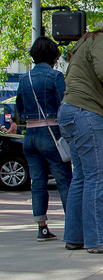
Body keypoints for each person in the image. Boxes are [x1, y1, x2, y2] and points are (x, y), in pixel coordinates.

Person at [58, 15, 103, 254]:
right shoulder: (101, 40)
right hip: (86, 113)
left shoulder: (85, 41)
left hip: (70, 111)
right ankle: (99, 239)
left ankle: (75, 237)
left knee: (80, 178)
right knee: (98, 177)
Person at [15, 36, 73, 242]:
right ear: (53, 56)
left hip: (29, 135)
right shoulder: (56, 77)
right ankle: (72, 227)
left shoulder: (24, 79)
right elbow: (64, 106)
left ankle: (42, 228)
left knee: (37, 181)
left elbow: (19, 110)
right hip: (51, 134)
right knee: (64, 180)